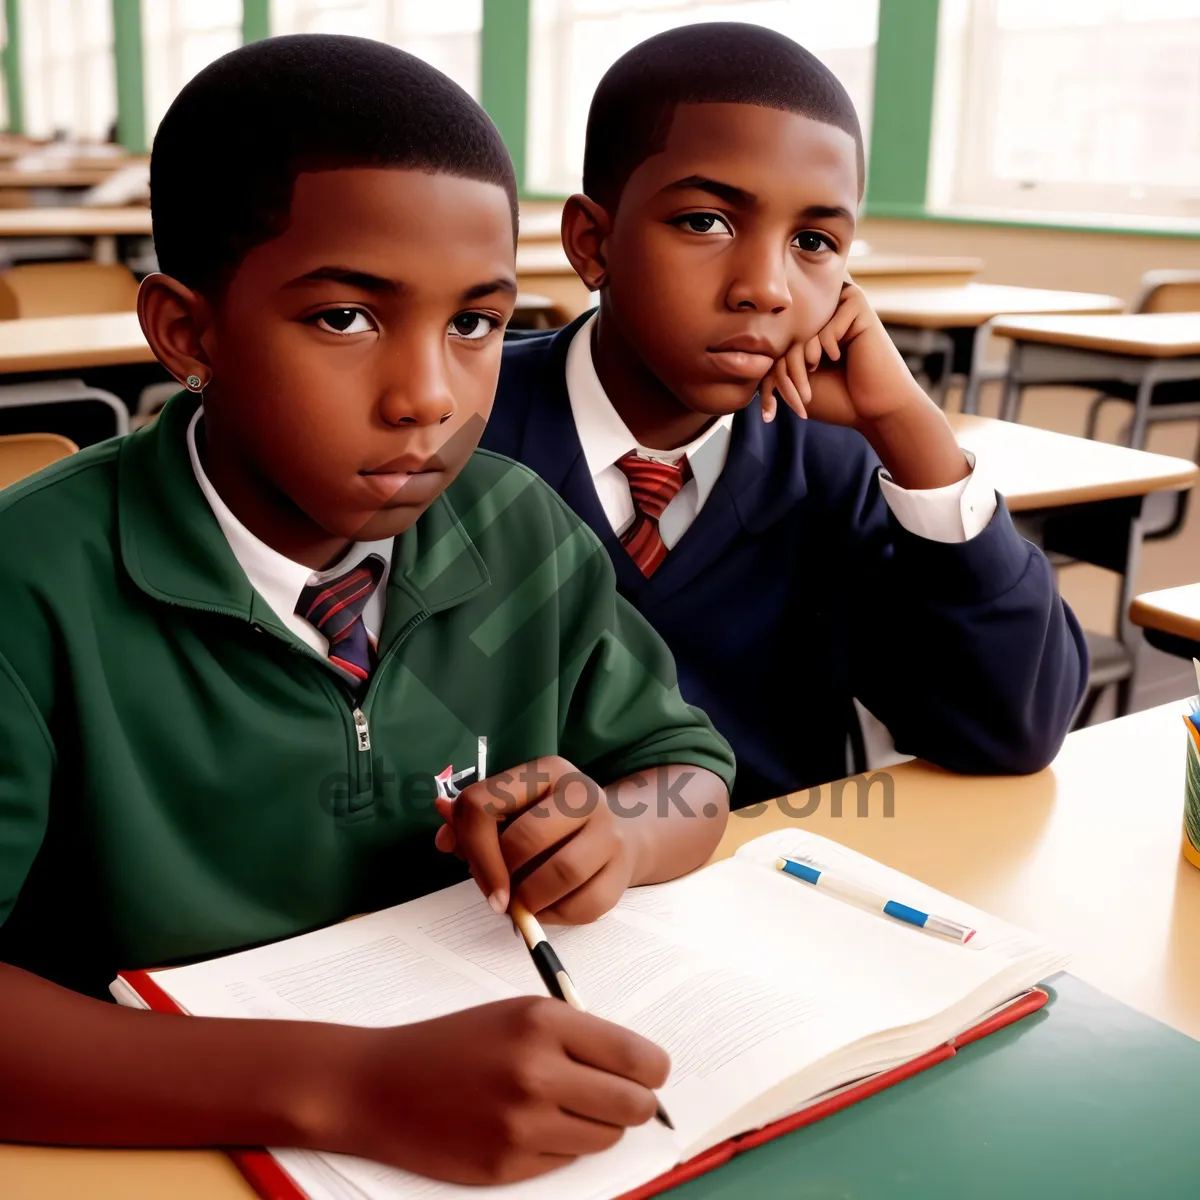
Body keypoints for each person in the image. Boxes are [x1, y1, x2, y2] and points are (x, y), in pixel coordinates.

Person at [0, 35, 734, 1185]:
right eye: (345, 318)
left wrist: (618, 827)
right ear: (188, 333)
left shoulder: (517, 526)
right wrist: (351, 1086)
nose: (429, 398)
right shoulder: (27, 588)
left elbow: (690, 769)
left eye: (477, 324)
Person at [483, 23, 1088, 807]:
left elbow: (1012, 729)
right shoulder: (461, 427)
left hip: (770, 888)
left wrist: (909, 427)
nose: (765, 286)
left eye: (813, 240)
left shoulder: (837, 464)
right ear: (592, 242)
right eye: (706, 221)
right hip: (493, 903)